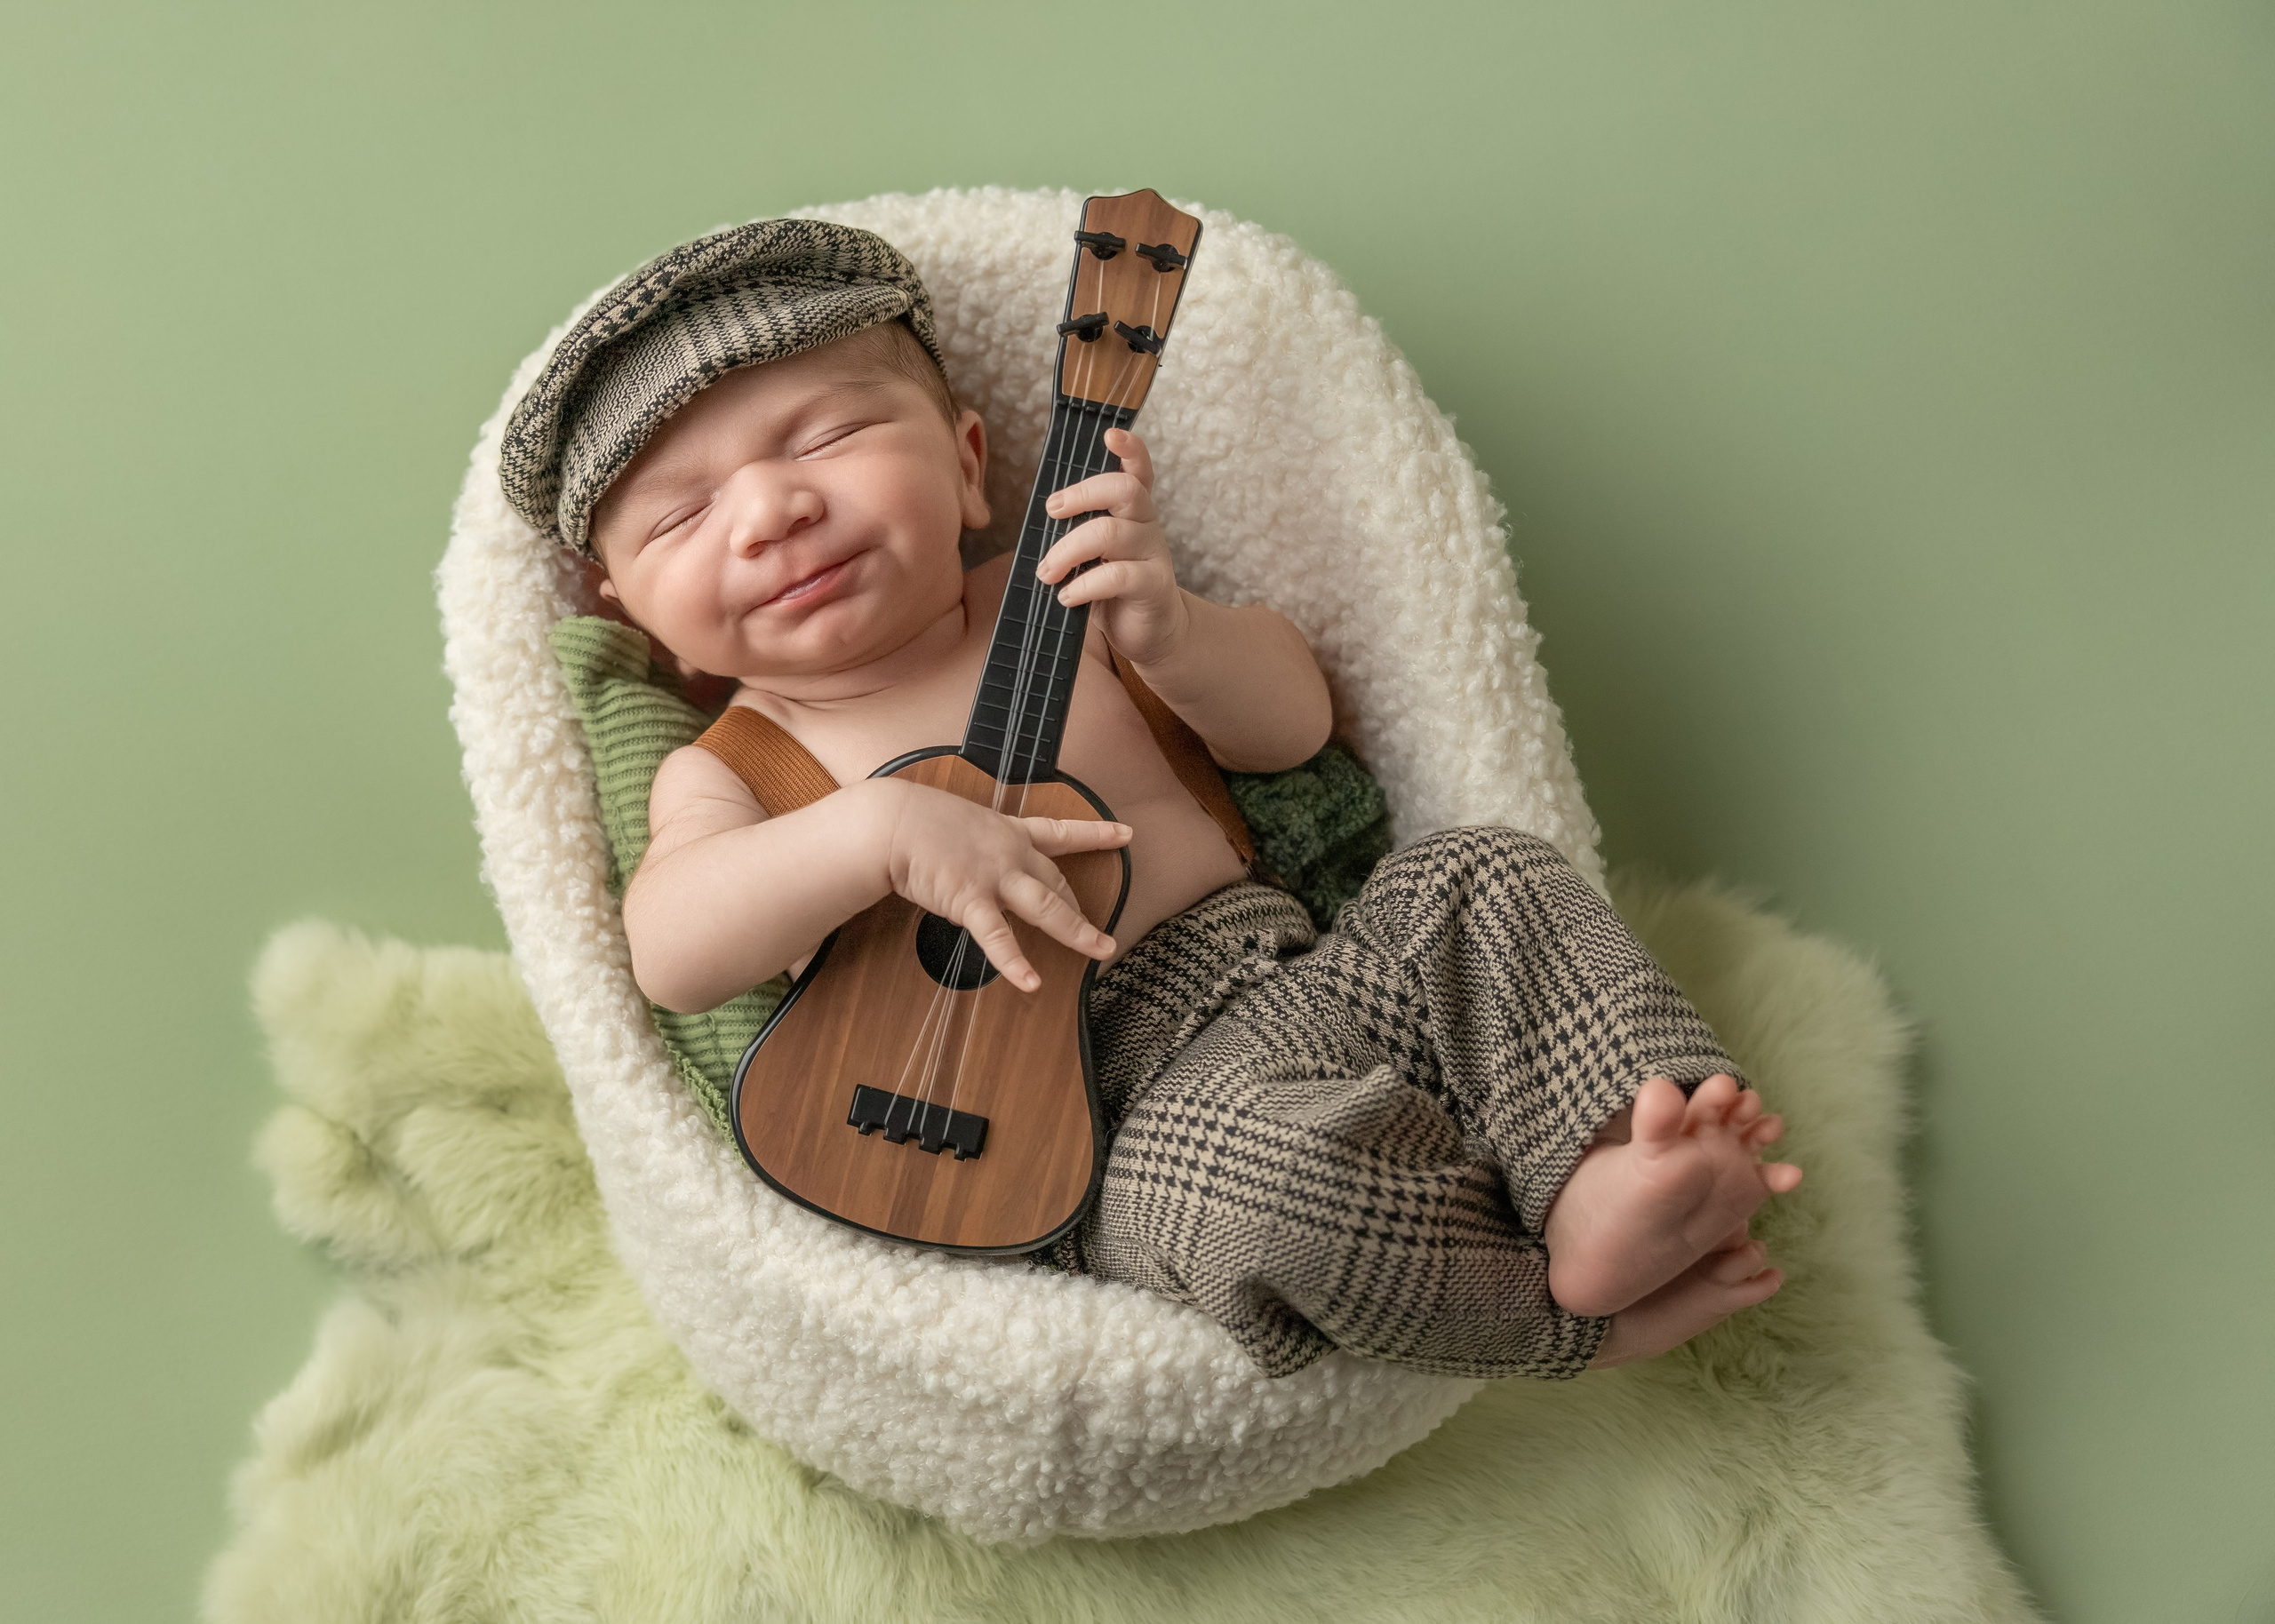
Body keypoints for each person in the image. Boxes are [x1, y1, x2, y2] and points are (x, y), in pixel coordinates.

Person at [499, 219, 1802, 1380]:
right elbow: (672, 950)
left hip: (1309, 971)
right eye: (680, 517)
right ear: (642, 621)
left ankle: (1610, 1163)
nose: (773, 511)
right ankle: (1556, 1313)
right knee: (1267, 1197)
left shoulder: (1066, 597)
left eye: (829, 437)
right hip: (1107, 1122)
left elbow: (1294, 728)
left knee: (1485, 874)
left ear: (968, 464)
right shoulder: (739, 765)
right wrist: (870, 832)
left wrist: (1172, 628)